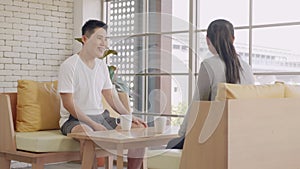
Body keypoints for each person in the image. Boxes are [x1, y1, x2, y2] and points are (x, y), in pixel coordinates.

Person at [58, 19, 147, 169]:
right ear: (85, 39)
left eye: (105, 39)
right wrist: (94, 125)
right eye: (99, 38)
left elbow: (111, 96)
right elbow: (68, 103)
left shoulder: (102, 66)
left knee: (138, 130)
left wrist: (129, 116)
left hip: (101, 116)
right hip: (75, 120)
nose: (104, 44)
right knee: (89, 133)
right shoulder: (69, 66)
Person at [167, 19, 255, 149]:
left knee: (170, 146)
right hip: (241, 136)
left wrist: (182, 133)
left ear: (208, 40)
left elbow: (197, 104)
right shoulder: (247, 67)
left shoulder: (209, 65)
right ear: (233, 39)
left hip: (213, 137)